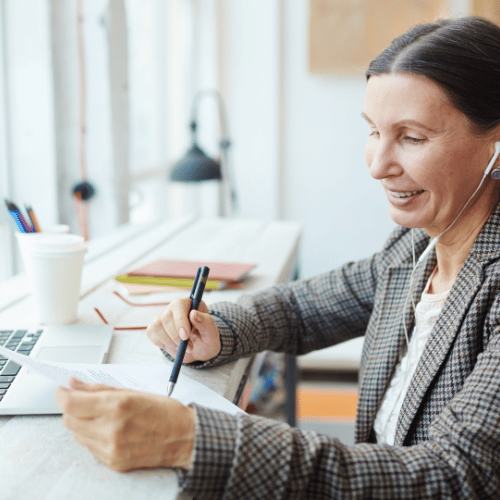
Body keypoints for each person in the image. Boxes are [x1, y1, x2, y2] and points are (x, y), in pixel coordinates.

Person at [56, 16, 500, 499]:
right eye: (373, 131)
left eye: (412, 137)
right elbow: (301, 309)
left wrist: (189, 439)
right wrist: (216, 329)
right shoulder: (420, 246)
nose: (376, 165)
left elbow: (458, 477)